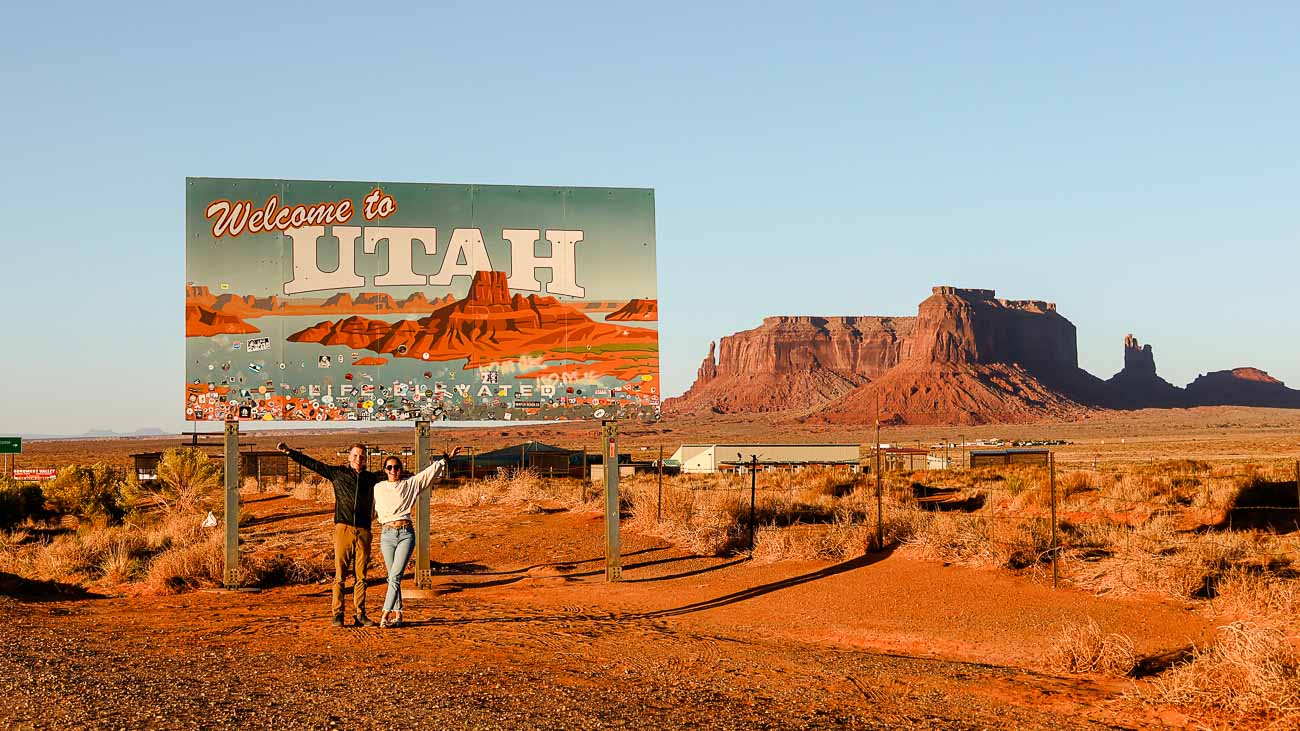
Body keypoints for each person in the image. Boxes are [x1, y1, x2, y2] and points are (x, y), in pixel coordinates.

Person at [278, 441, 382, 627]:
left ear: (366, 459)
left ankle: (360, 613)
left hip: (364, 531)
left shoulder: (372, 479)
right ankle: (338, 614)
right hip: (343, 529)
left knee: (361, 576)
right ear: (349, 457)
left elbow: (402, 480)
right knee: (340, 575)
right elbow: (314, 464)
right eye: (355, 455)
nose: (359, 459)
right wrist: (289, 452)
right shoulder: (338, 474)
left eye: (362, 456)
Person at [374, 447, 462, 628]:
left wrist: (446, 458)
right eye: (389, 467)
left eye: (396, 467)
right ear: (384, 470)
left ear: (401, 469)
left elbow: (428, 473)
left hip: (405, 533)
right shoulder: (378, 488)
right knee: (392, 577)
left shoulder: (410, 484)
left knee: (395, 576)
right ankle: (398, 615)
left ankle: (384, 615)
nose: (393, 471)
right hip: (387, 535)